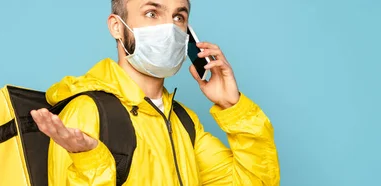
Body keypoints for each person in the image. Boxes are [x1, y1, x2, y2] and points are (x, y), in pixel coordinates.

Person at [29, 0, 280, 185]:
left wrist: (232, 106)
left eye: (178, 17)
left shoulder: (183, 122)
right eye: (152, 13)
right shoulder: (87, 112)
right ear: (117, 27)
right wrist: (90, 160)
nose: (169, 28)